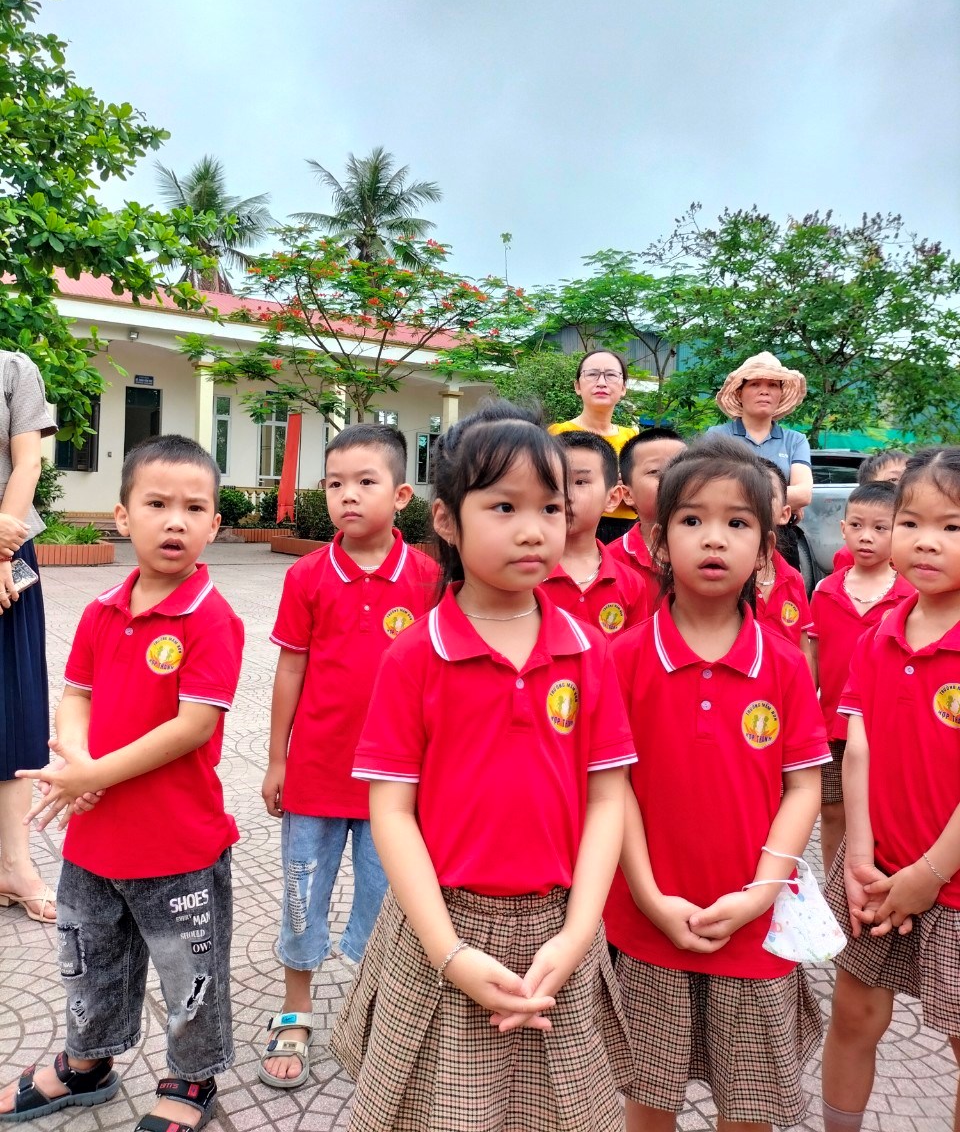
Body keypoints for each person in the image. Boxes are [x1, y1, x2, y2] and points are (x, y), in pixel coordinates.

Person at [330, 400, 638, 1132]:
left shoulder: (586, 650)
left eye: (551, 508)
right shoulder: (416, 655)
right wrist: (450, 952)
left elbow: (608, 798)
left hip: (559, 929)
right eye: (504, 506)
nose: (534, 530)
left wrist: (578, 934)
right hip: (442, 928)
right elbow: (391, 811)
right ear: (446, 520)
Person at [1, 435, 243, 1132]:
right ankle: (88, 1063)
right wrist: (76, 759)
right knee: (87, 956)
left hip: (178, 846)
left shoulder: (212, 618)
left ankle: (192, 1080)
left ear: (213, 526)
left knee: (188, 972)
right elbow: (76, 695)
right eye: (157, 504)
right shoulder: (101, 610)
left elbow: (193, 726)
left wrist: (93, 773)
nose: (175, 521)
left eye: (193, 508)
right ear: (122, 516)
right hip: (94, 839)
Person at [605, 436, 830, 1131]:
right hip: (646, 924)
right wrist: (649, 895)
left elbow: (803, 787)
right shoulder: (622, 659)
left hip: (754, 927)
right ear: (658, 541)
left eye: (738, 523)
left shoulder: (784, 664)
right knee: (648, 1102)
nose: (714, 538)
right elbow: (612, 789)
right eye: (692, 519)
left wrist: (760, 892)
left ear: (765, 551)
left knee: (749, 1107)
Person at [259, 424, 439, 1089]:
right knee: (302, 892)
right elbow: (290, 669)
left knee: (386, 899)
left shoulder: (428, 577)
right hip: (315, 773)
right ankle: (296, 1008)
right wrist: (276, 760)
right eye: (336, 484)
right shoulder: (308, 575)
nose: (348, 496)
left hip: (394, 783)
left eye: (366, 482)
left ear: (401, 496)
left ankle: (375, 1009)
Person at [821, 447, 960, 1132]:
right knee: (854, 1017)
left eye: (953, 527)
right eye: (912, 522)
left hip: (951, 885)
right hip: (877, 874)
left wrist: (929, 875)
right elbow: (861, 746)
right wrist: (858, 857)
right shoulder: (881, 634)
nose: (926, 541)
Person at [808, 481, 912, 878]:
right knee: (832, 808)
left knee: (879, 808)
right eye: (857, 525)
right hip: (831, 722)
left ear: (898, 531)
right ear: (843, 529)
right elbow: (814, 656)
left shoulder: (909, 597)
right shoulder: (825, 591)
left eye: (880, 528)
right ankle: (833, 883)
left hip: (884, 727)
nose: (866, 536)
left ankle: (878, 877)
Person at [0, 350, 58, 925]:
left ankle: (15, 866)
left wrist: (1, 550)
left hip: (9, 548)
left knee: (15, 705)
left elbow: (28, 463)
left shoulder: (13, 371)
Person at [540, 431, 647, 637]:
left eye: (580, 482)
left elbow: (633, 651)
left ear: (612, 498)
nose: (564, 494)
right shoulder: (521, 573)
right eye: (552, 481)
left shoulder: (630, 583)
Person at [548, 348, 638, 543]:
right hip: (571, 528)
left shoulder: (633, 438)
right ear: (577, 386)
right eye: (592, 374)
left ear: (623, 388)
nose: (602, 382)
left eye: (611, 375)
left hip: (627, 533)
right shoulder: (556, 434)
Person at [708, 351, 813, 514]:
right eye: (755, 384)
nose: (764, 391)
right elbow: (710, 489)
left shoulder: (795, 440)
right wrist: (782, 501)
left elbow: (803, 494)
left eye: (772, 385)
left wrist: (739, 496)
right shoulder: (717, 436)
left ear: (780, 394)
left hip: (779, 529)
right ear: (739, 394)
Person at [607, 427, 687, 608]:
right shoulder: (610, 563)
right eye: (655, 471)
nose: (672, 478)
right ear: (628, 494)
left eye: (681, 469)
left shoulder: (714, 548)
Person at [755, 459, 816, 679]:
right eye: (746, 493)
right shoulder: (723, 578)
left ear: (785, 513)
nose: (755, 501)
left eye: (766, 494)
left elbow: (803, 651)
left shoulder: (793, 579)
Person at [831, 450, 909, 572]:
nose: (903, 486)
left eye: (908, 479)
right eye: (893, 479)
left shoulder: (915, 546)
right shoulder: (850, 555)